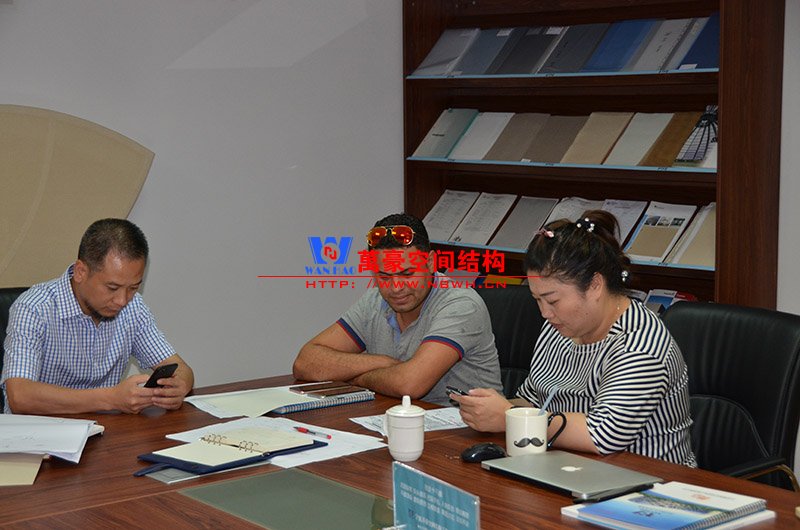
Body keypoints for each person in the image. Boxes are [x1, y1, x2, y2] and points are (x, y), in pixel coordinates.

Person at [451, 210, 696, 466]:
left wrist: (509, 417)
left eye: (553, 300)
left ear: (595, 285)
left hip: (647, 479)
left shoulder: (640, 344)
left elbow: (602, 435)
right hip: (568, 466)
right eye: (537, 300)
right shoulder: (560, 327)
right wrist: (489, 409)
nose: (545, 313)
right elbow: (533, 399)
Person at [293, 213, 502, 405]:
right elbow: (305, 362)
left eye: (407, 274)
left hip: (462, 427)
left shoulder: (461, 305)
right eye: (384, 276)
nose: (396, 288)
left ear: (430, 262)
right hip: (397, 419)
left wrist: (354, 378)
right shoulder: (374, 300)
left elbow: (410, 384)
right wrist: (382, 362)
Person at [2, 218, 194, 414]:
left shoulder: (133, 307)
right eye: (112, 287)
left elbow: (180, 368)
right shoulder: (33, 308)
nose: (122, 300)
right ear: (81, 272)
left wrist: (180, 386)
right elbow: (20, 396)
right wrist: (110, 398)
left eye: (133, 288)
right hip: (41, 429)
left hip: (105, 428)